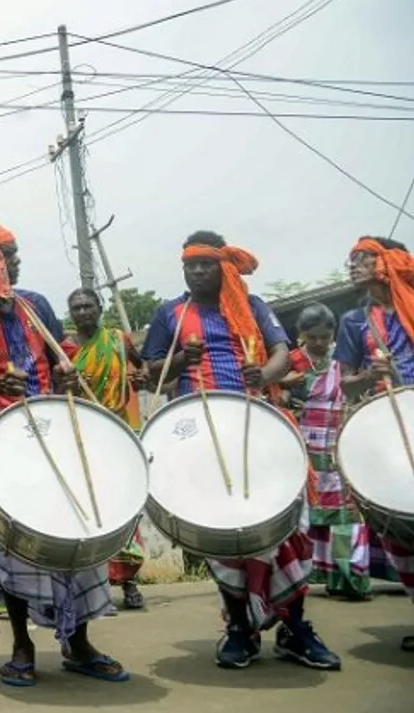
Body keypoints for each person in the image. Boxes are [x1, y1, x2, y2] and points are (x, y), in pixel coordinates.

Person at [142, 230, 340, 670]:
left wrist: (261, 374)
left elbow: (283, 355)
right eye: (190, 265)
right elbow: (150, 368)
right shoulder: (171, 313)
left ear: (223, 267)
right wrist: (180, 362)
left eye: (205, 264)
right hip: (203, 439)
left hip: (261, 429)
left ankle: (295, 628)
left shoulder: (252, 307)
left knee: (287, 528)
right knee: (226, 533)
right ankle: (239, 628)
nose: (196, 271)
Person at [0, 215, 125, 687]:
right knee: (15, 543)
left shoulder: (36, 304)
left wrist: (65, 374)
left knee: (77, 531)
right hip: (2, 440)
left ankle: (78, 641)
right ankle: (22, 645)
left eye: (18, 257)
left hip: (57, 433)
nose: (18, 265)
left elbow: (59, 359)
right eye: (10, 258)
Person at [334, 235, 414, 651]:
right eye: (351, 260)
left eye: (361, 259)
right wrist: (370, 376)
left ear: (387, 263)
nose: (352, 266)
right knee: (400, 527)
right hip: (384, 429)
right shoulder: (353, 322)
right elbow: (345, 387)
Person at [64, 287, 150, 611]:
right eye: (77, 307)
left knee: (123, 506)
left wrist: (140, 376)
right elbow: (59, 387)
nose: (83, 312)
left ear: (99, 308)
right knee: (90, 509)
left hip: (120, 430)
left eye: (88, 306)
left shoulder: (118, 340)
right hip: (84, 435)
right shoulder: (66, 348)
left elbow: (144, 368)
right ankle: (96, 586)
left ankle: (130, 582)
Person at [280, 303, 371, 601]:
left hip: (339, 446)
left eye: (325, 336)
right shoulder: (291, 362)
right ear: (301, 335)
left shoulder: (343, 360)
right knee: (308, 518)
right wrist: (285, 385)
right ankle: (306, 577)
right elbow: (277, 397)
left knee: (347, 516)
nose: (319, 343)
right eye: (312, 337)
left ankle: (350, 579)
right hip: (304, 450)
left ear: (333, 334)